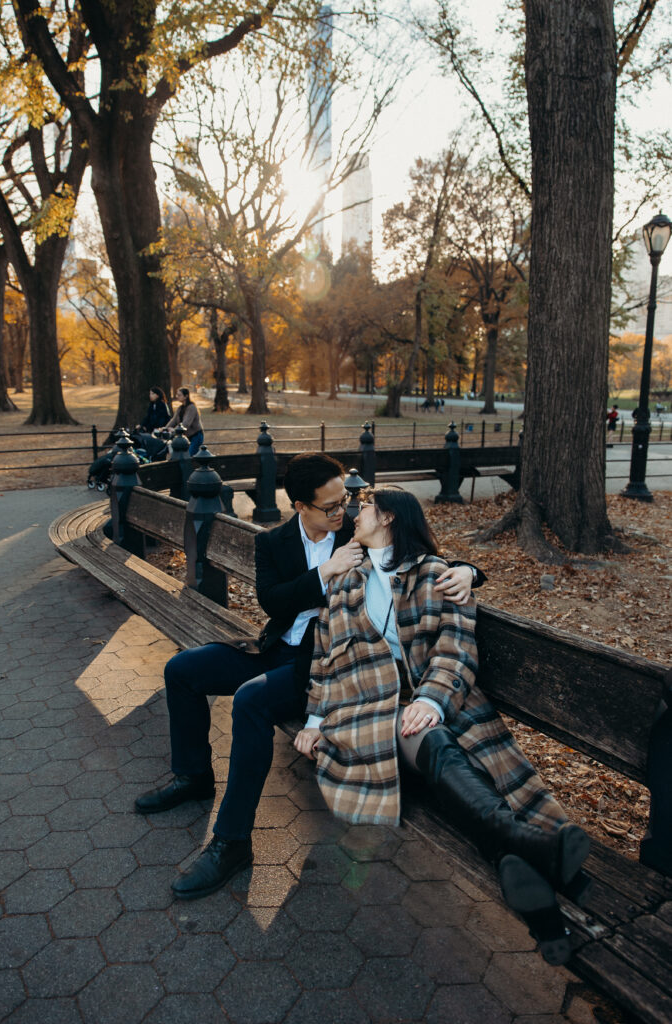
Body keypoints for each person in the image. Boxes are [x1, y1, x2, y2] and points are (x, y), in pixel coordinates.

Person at [134, 454, 484, 900]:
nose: (345, 512)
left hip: (325, 667)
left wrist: (469, 571)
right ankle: (193, 776)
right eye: (332, 506)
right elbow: (274, 603)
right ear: (301, 505)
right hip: (274, 648)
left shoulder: (358, 532)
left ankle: (233, 841)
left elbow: (418, 551)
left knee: (250, 703)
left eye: (348, 501)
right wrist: (326, 571)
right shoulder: (274, 542)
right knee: (181, 670)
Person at [294, 487, 591, 965]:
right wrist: (314, 718)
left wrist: (432, 698)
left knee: (428, 735)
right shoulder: (346, 580)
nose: (354, 513)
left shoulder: (438, 576)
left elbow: (456, 647)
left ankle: (517, 858)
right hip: (363, 711)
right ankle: (521, 840)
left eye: (365, 507)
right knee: (423, 736)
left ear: (388, 517)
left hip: (428, 709)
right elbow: (324, 658)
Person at [166, 386, 204, 456]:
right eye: (177, 395)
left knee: (189, 456)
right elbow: (174, 420)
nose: (177, 396)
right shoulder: (180, 408)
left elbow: (186, 423)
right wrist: (165, 428)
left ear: (186, 396)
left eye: (179, 395)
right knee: (184, 456)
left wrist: (174, 430)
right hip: (187, 437)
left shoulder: (191, 407)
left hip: (196, 436)